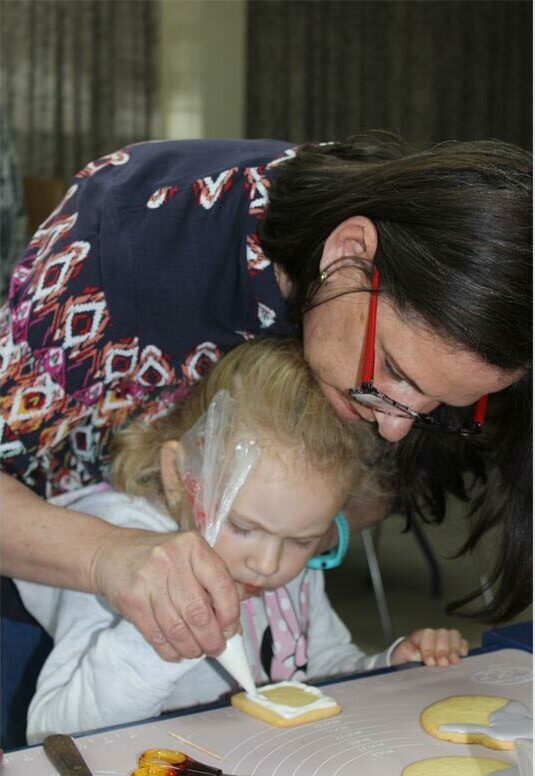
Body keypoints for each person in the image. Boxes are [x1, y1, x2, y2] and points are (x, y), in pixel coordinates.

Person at [1, 132, 531, 668]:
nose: (394, 428)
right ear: (348, 253)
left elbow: (401, 477)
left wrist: (312, 528)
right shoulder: (131, 230)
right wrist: (106, 555)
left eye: (433, 406)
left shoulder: (461, 314)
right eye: (392, 370)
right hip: (39, 569)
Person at [17, 338, 469, 744]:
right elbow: (53, 733)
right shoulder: (129, 557)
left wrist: (392, 668)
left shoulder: (284, 564)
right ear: (180, 476)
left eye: (301, 540)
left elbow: (323, 672)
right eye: (244, 528)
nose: (269, 565)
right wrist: (163, 635)